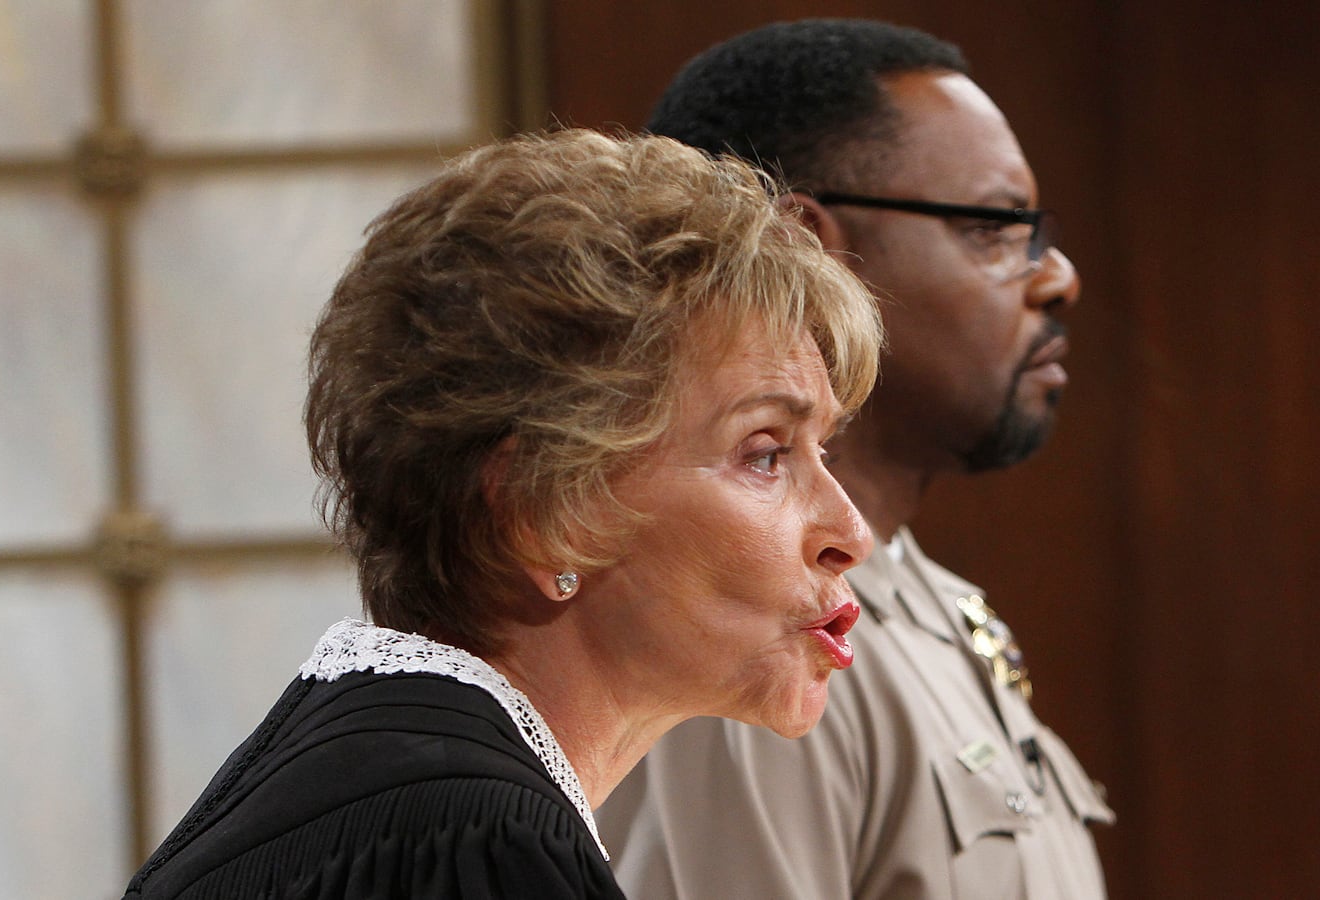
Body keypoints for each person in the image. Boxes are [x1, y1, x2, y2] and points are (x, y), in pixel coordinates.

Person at [122, 128, 882, 899]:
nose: (850, 533)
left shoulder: (373, 773)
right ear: (547, 507)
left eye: (825, 450)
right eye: (764, 452)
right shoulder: (484, 846)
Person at [597, 19, 1114, 900]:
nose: (1056, 273)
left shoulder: (928, 602)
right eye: (994, 226)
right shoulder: (743, 639)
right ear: (806, 247)